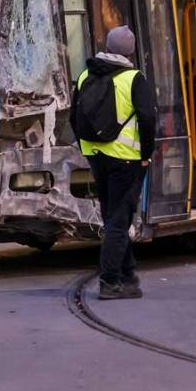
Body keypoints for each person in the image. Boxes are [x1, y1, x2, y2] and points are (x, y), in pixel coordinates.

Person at [70, 26, 156, 300]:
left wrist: (87, 147)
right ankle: (109, 282)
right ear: (130, 51)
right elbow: (147, 119)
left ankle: (128, 277)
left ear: (107, 47)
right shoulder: (134, 78)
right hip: (126, 160)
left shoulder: (85, 75)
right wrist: (146, 154)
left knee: (113, 216)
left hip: (96, 155)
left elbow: (74, 117)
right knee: (119, 220)